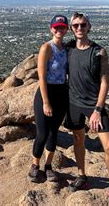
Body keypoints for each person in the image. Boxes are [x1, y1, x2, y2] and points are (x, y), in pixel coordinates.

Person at [65, 12, 109, 204]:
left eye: (82, 25)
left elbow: (105, 82)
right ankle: (82, 175)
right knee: (78, 138)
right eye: (75, 25)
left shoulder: (99, 52)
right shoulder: (69, 48)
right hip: (73, 103)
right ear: (71, 29)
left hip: (93, 105)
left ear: (89, 26)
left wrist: (98, 110)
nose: (79, 28)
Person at [28, 15, 69, 183]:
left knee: (54, 133)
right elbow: (42, 78)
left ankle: (49, 167)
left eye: (62, 27)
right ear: (51, 28)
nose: (59, 30)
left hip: (61, 93)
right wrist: (46, 102)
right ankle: (35, 165)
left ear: (66, 29)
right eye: (56, 27)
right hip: (46, 93)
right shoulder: (46, 48)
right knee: (42, 133)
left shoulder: (66, 49)